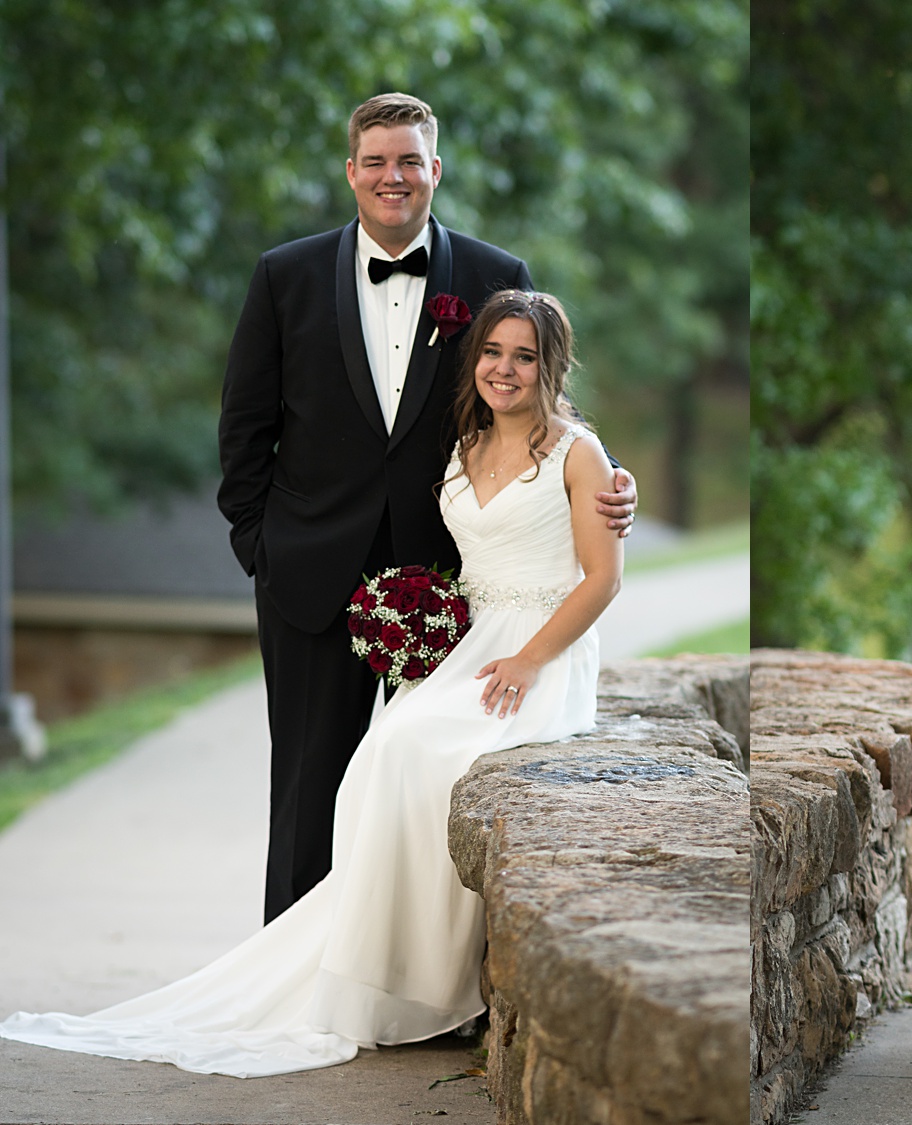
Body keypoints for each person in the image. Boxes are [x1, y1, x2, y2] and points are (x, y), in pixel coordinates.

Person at [0, 290, 622, 1076]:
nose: (505, 368)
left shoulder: (580, 453)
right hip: (470, 644)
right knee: (377, 758)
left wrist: (530, 658)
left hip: (539, 653)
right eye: (493, 351)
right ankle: (379, 969)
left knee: (419, 752)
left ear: (550, 365)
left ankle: (430, 983)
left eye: (524, 355)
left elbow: (602, 580)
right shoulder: (463, 446)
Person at [216, 93, 637, 925]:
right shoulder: (284, 276)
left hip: (452, 590)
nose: (392, 177)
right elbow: (244, 424)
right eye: (375, 161)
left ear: (435, 170)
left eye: (409, 160)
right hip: (308, 577)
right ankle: (301, 977)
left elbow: (541, 399)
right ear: (351, 172)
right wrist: (258, 546)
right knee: (308, 783)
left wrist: (614, 475)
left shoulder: (494, 275)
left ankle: (408, 975)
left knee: (421, 788)